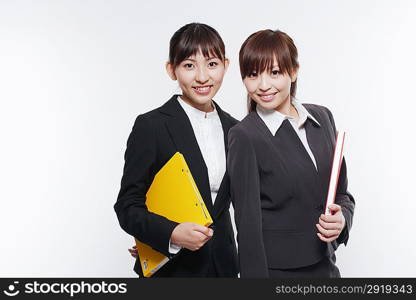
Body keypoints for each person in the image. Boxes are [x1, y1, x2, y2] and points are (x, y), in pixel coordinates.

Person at [227, 29, 355, 278]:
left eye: (274, 72)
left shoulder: (322, 117)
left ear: (293, 71)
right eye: (253, 75)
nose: (263, 85)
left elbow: (342, 193)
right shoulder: (245, 135)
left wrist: (342, 221)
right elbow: (248, 226)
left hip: (326, 267)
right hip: (279, 274)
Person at [114, 23, 238, 277]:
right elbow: (127, 205)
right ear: (172, 70)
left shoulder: (236, 129)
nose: (202, 77)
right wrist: (170, 233)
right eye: (189, 65)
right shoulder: (151, 126)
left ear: (226, 65)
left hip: (224, 268)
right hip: (173, 272)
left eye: (212, 64)